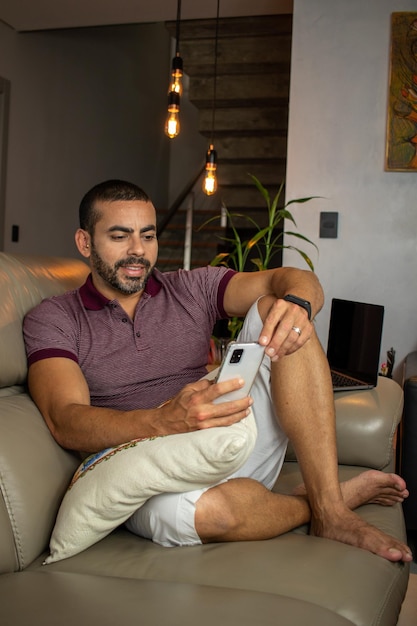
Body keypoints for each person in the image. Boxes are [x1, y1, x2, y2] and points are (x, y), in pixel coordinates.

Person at [23, 179, 412, 562]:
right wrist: (165, 422)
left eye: (148, 235)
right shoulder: (55, 318)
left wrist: (298, 304)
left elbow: (292, 278)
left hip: (230, 431)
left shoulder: (191, 287)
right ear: (85, 242)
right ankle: (329, 505)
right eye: (120, 236)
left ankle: (331, 511)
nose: (138, 251)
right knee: (210, 515)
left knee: (283, 312)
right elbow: (66, 420)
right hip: (151, 468)